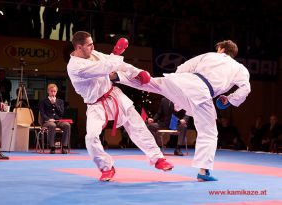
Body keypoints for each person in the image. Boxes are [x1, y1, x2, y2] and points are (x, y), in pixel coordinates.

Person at [116, 40, 251, 181]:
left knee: (151, 83)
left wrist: (177, 91)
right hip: (202, 93)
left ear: (222, 49)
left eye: (218, 49)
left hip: (182, 82)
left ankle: (118, 76)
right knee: (209, 132)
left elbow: (183, 67)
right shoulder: (239, 68)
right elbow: (245, 89)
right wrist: (230, 99)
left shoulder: (209, 55)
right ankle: (203, 172)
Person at [67, 31, 173, 181]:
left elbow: (118, 65)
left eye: (92, 43)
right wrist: (116, 52)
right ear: (79, 47)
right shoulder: (75, 67)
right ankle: (106, 167)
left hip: (113, 94)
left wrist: (137, 72)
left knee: (138, 126)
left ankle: (158, 159)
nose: (93, 46)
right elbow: (106, 68)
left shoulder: (94, 53)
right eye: (89, 45)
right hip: (95, 104)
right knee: (91, 137)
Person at [38, 83, 71, 154]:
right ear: (48, 91)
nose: (53, 93)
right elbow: (42, 113)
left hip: (58, 121)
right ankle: (52, 147)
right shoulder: (43, 101)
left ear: (56, 92)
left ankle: (64, 146)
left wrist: (55, 104)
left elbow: (61, 113)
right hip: (47, 122)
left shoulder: (60, 101)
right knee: (52, 125)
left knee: (67, 125)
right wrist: (48, 119)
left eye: (54, 91)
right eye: (51, 91)